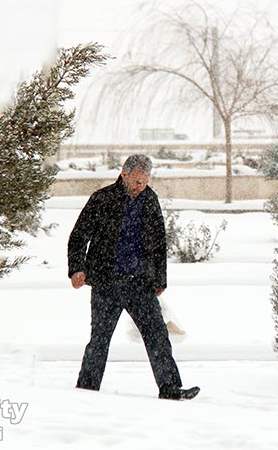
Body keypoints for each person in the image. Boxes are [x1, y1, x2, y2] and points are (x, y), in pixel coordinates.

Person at [68, 154, 199, 400]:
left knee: (158, 336)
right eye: (137, 181)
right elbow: (78, 236)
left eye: (145, 181)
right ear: (124, 174)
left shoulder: (150, 200)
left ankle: (170, 388)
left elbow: (159, 243)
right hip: (107, 282)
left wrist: (160, 279)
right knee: (99, 339)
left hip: (140, 283)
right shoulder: (103, 199)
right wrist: (77, 268)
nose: (141, 186)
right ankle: (87, 389)